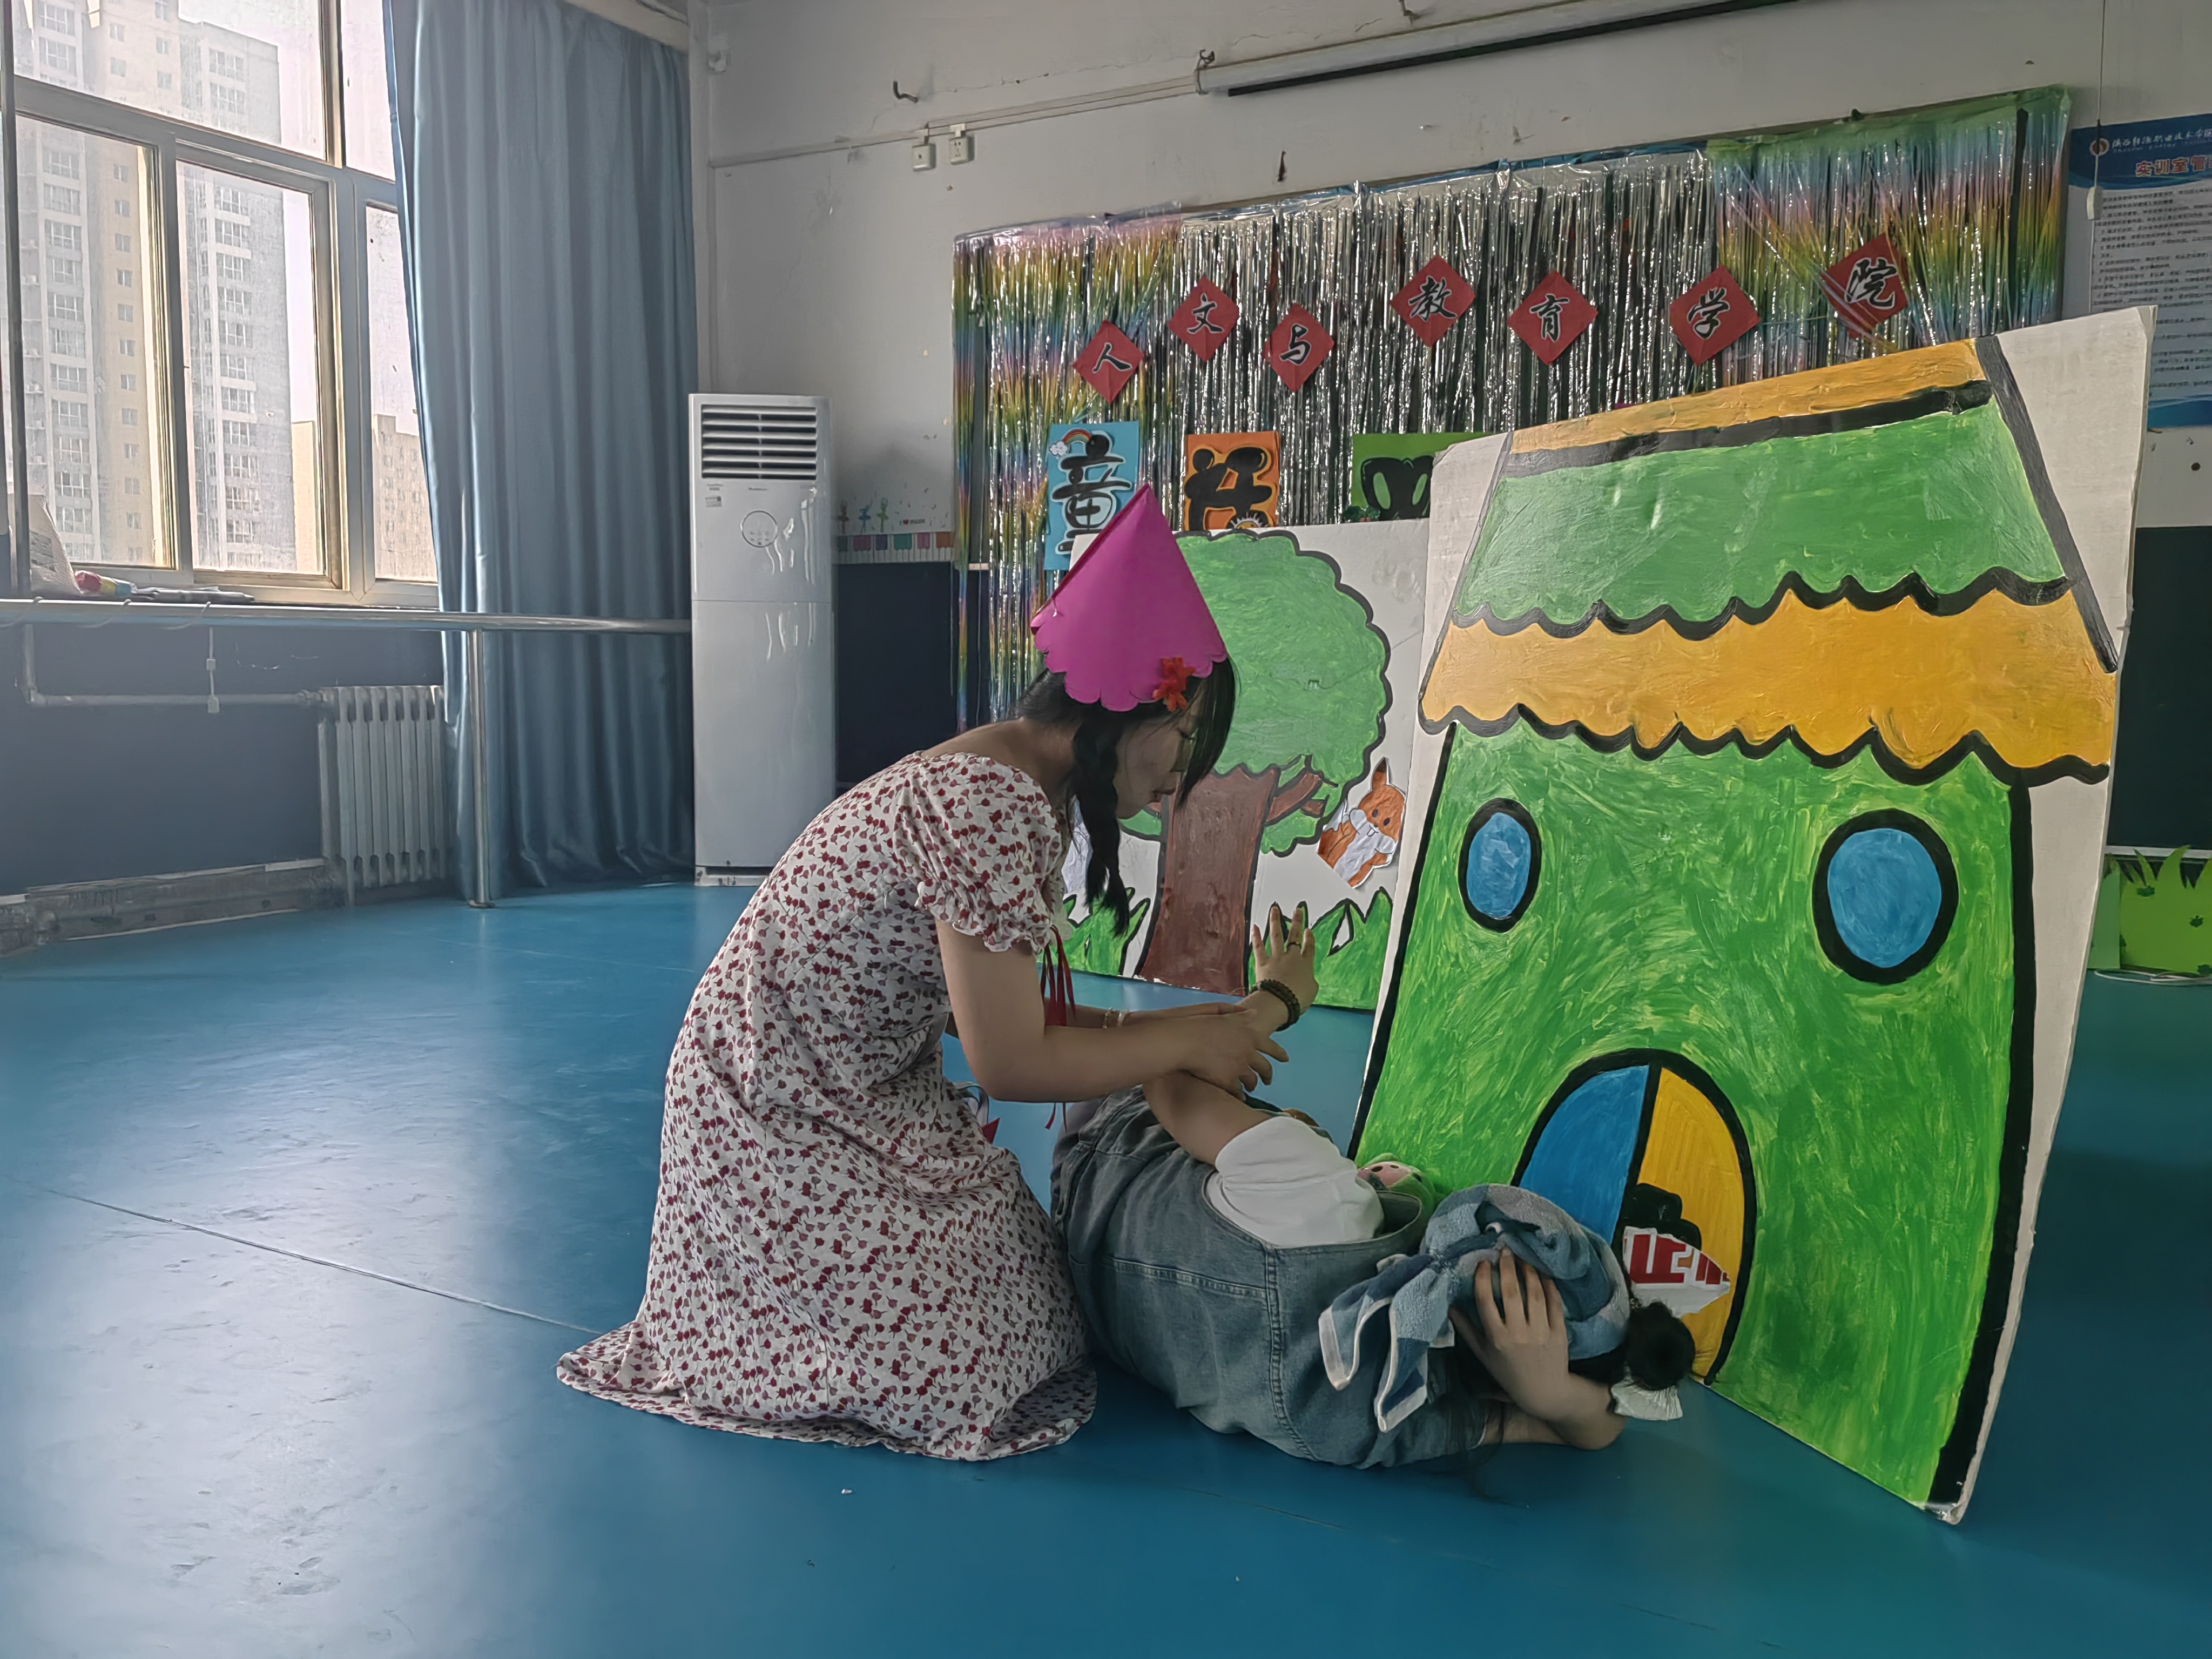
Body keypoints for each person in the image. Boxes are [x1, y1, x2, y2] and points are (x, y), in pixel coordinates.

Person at [559, 494, 1289, 1459]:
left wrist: (1185, 1032)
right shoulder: (990, 799)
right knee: (974, 1364)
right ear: (1128, 711)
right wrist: (1187, 1038)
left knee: (1031, 1309)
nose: (1180, 779)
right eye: (1184, 743)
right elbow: (1009, 1061)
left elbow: (1005, 1015)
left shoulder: (1015, 781)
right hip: (774, 1108)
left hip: (856, 1086)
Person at [1053, 910, 1695, 1469]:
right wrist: (1548, 1395)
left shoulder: (1322, 1201)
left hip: (1103, 1154)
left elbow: (1168, 1072)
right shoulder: (1388, 1412)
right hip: (1087, 1308)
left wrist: (1276, 999)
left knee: (1269, 1117)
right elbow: (1594, 1431)